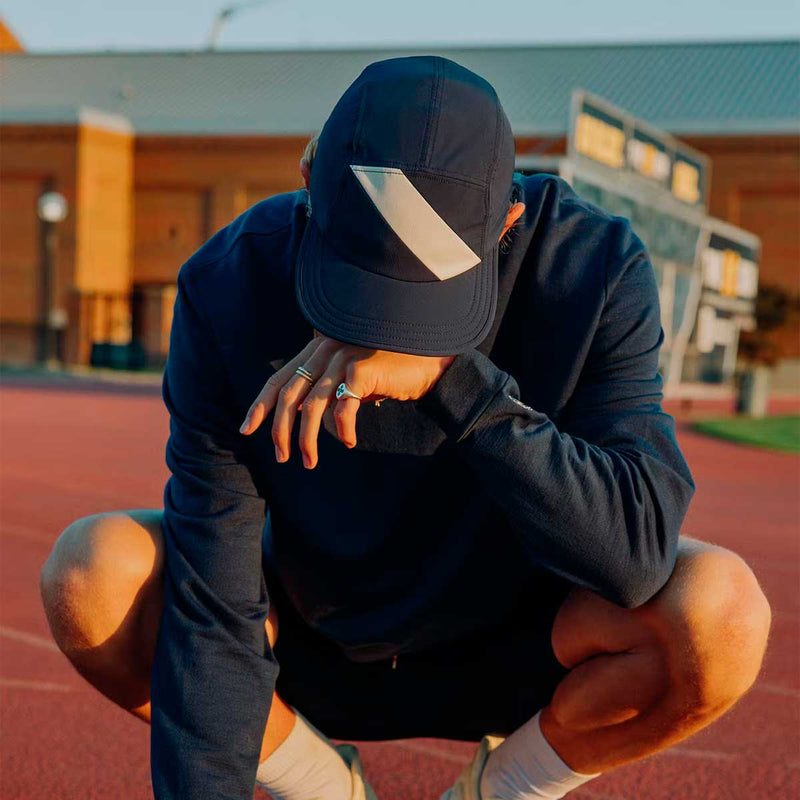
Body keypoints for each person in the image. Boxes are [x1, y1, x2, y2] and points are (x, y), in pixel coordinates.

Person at [40, 55, 771, 800]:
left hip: (523, 647)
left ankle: (500, 789)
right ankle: (327, 788)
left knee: (723, 611)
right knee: (92, 571)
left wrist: (458, 386)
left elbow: (635, 557)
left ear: (509, 218)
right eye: (354, 284)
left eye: (422, 299)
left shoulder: (595, 268)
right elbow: (216, 603)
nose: (377, 328)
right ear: (305, 173)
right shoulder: (229, 283)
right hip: (308, 646)